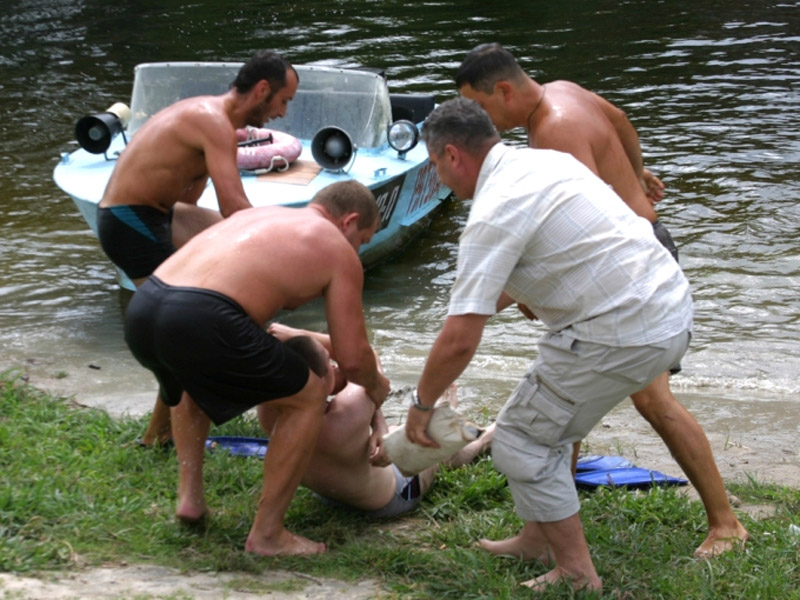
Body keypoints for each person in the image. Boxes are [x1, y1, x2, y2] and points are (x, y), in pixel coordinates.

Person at [454, 42, 748, 558]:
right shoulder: (565, 92)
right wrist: (636, 173)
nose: (484, 124)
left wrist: (522, 294)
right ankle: (544, 530)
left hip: (633, 271)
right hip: (639, 251)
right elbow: (623, 120)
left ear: (503, 91)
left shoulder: (551, 135)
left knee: (652, 401)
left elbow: (575, 236)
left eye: (481, 109)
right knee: (565, 389)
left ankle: (725, 523)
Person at [404, 97, 693, 592]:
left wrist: (421, 404)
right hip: (671, 312)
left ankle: (578, 574)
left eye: (435, 166)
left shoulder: (492, 211)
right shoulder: (547, 162)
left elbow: (459, 341)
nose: (440, 180)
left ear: (453, 155)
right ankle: (536, 540)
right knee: (543, 425)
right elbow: (571, 249)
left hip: (620, 334)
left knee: (519, 442)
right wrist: (466, 308)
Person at [123, 181, 390, 556]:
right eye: (362, 239)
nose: (359, 250)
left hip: (145, 307)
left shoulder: (260, 218)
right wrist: (378, 389)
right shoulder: (334, 247)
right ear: (349, 221)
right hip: (201, 313)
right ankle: (268, 534)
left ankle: (190, 500)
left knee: (192, 382)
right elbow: (352, 358)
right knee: (309, 393)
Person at [98, 50, 299, 448]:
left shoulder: (218, 122)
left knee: (201, 296)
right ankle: (159, 434)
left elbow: (192, 195)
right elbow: (235, 207)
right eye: (283, 100)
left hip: (159, 214)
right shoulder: (214, 122)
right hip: (128, 221)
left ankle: (164, 429)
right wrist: (284, 248)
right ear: (262, 90)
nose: (282, 112)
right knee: (178, 328)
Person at [265, 323, 495, 518]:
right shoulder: (345, 412)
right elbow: (365, 357)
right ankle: (483, 437)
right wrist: (297, 334)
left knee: (394, 433)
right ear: (320, 381)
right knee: (430, 444)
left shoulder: (268, 408)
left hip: (330, 495)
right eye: (329, 363)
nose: (336, 366)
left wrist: (378, 422)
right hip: (391, 499)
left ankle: (441, 424)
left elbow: (358, 381)